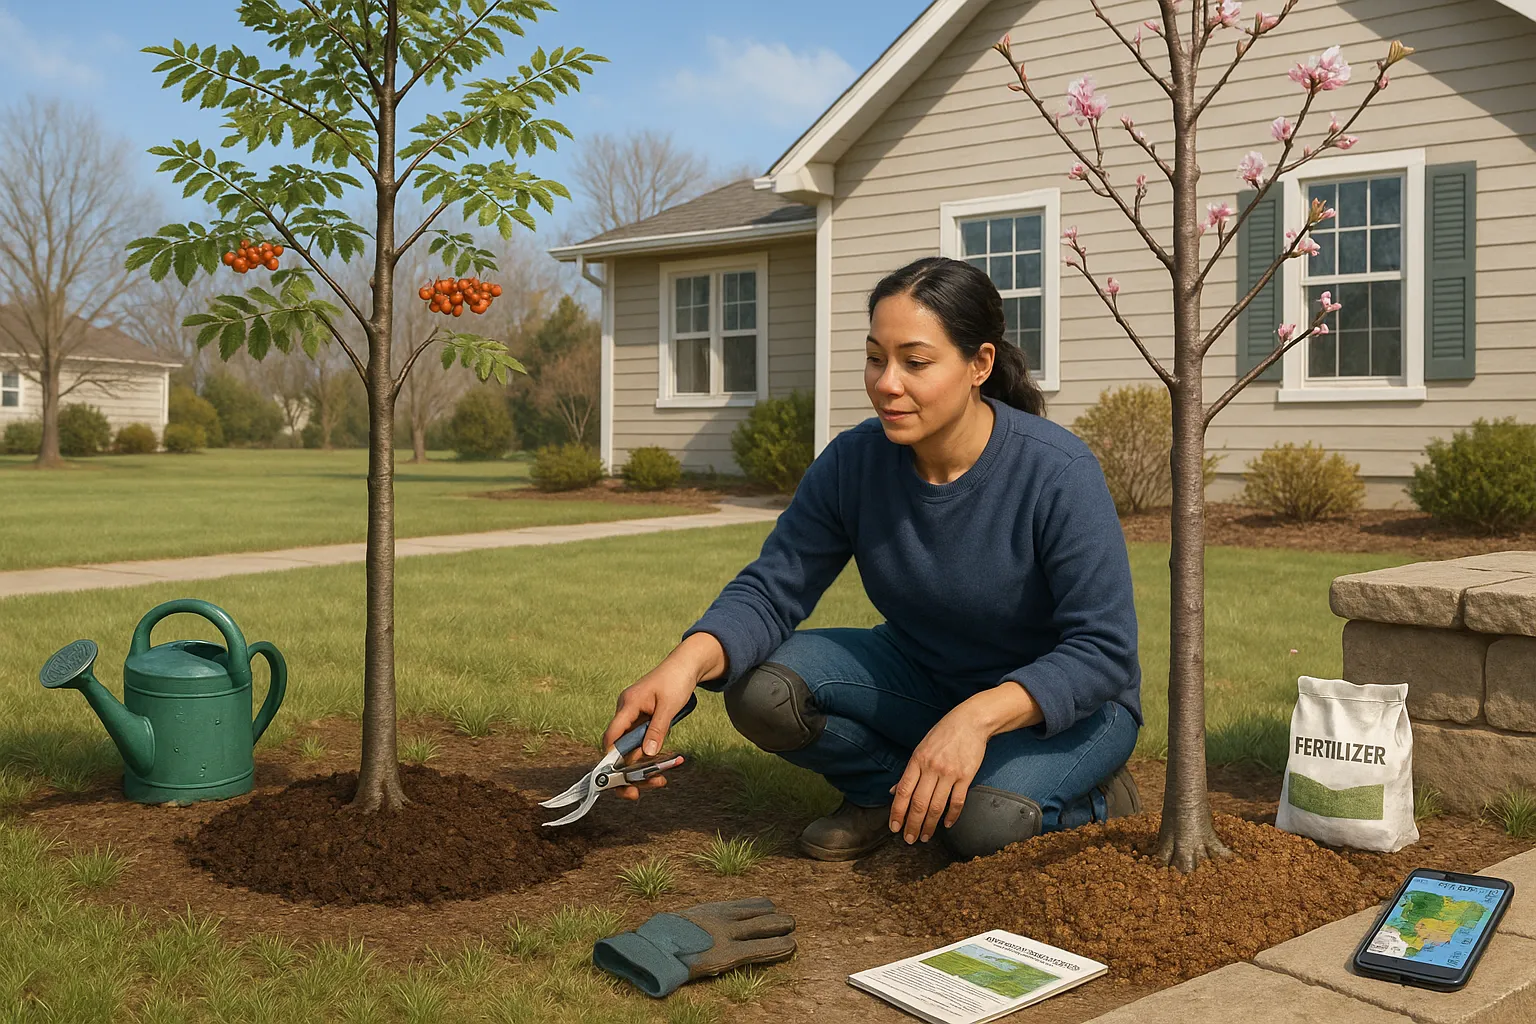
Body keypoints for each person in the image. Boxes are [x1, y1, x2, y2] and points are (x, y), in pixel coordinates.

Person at [601, 256, 1142, 862]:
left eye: (915, 363)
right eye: (875, 357)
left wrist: (976, 719)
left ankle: (1099, 801)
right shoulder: (855, 461)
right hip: (925, 677)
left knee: (984, 825)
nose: (887, 382)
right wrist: (682, 664)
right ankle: (882, 793)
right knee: (762, 690)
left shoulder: (1057, 472)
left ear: (979, 365)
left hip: (1066, 709)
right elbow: (773, 589)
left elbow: (1104, 651)